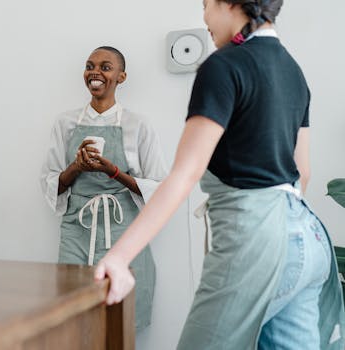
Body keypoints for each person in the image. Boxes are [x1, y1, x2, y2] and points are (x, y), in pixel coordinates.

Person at [94, 0, 345, 348]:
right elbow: (302, 173)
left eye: (207, 4)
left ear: (230, 3)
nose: (204, 16)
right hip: (309, 242)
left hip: (255, 240)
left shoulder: (223, 65)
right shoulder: (293, 71)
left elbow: (184, 174)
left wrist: (119, 258)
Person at [41, 46, 167, 330]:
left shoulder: (138, 124)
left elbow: (159, 188)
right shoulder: (66, 123)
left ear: (121, 77)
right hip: (77, 229)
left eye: (105, 67)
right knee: (71, 313)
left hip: (124, 231)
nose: (95, 72)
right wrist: (76, 167)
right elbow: (50, 181)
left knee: (121, 320)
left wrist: (113, 172)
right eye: (89, 66)